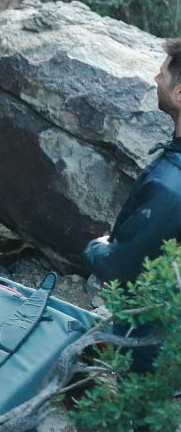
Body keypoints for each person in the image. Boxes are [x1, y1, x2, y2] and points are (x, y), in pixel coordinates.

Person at [82, 38, 181, 372]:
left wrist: (96, 249)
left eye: (164, 74)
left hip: (154, 333)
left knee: (143, 413)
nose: (156, 79)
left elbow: (124, 266)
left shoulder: (170, 189)